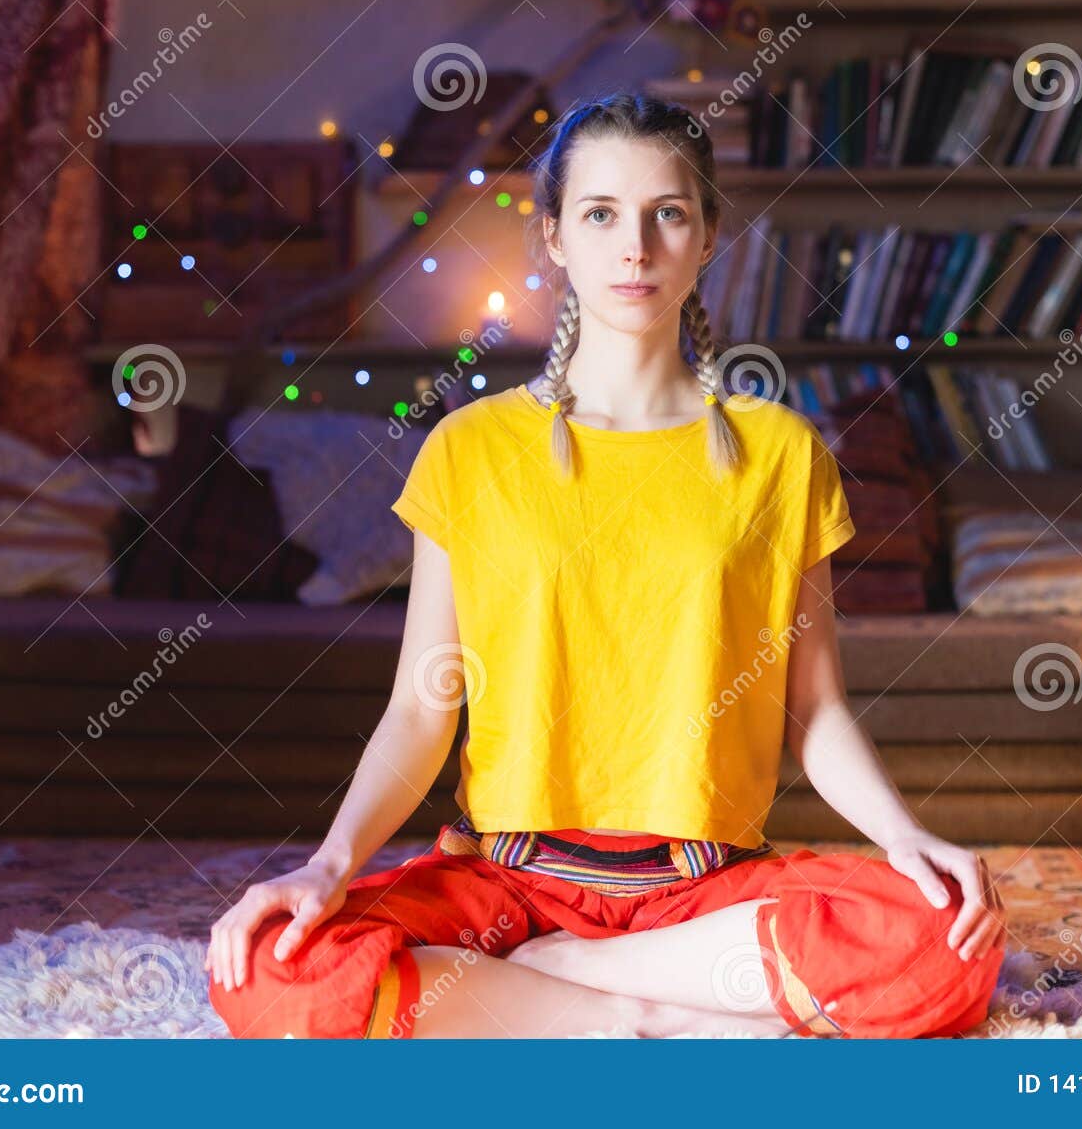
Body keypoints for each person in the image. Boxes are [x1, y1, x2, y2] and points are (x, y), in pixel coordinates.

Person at [206, 91, 1007, 1039]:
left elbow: (814, 709)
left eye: (668, 212)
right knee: (271, 970)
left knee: (945, 938)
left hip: (702, 891)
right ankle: (628, 1012)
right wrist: (328, 865)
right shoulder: (470, 449)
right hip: (502, 886)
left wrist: (905, 836)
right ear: (554, 237)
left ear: (707, 235)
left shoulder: (783, 453)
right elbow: (425, 704)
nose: (635, 247)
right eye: (600, 215)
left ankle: (567, 980)